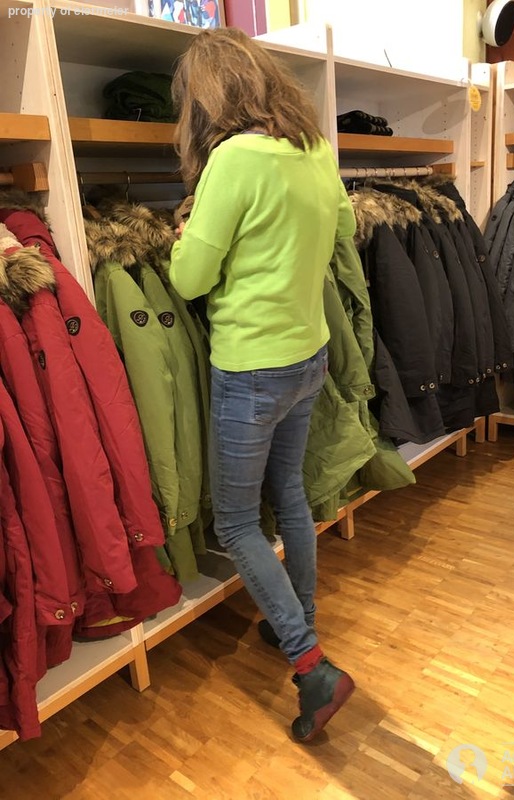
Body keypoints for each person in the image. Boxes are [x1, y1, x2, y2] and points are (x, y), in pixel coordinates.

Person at [169, 26, 355, 742]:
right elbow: (342, 228)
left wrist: (185, 236)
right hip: (308, 355)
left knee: (237, 523)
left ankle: (310, 665)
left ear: (208, 98)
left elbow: (191, 279)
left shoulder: (232, 159)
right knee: (291, 497)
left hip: (251, 369)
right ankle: (296, 624)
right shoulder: (313, 149)